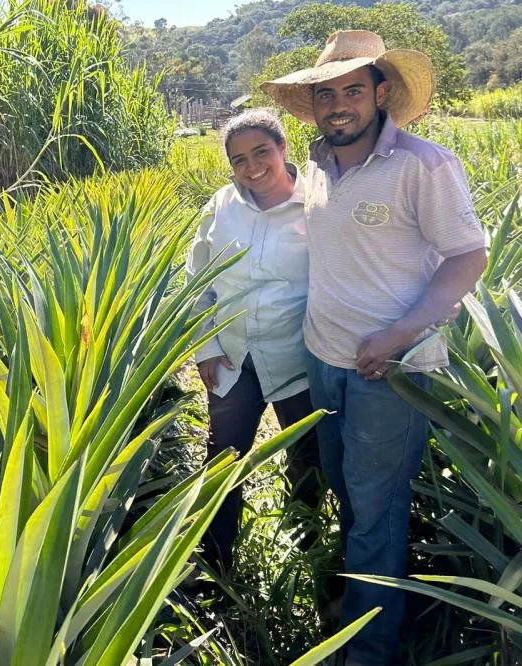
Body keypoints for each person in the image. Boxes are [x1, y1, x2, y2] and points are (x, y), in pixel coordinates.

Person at [262, 31, 488, 665]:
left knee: (375, 508)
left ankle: (367, 652)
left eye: (352, 91)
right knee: (347, 489)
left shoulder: (424, 164)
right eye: (326, 92)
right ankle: (358, 610)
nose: (339, 104)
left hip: (392, 371)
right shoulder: (316, 164)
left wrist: (400, 332)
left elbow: (469, 256)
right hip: (325, 357)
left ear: (381, 93)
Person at [186, 108, 323, 573]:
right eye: (239, 159)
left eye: (262, 151)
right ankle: (217, 565)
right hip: (234, 358)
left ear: (284, 148)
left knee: (308, 459)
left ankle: (311, 554)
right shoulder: (221, 206)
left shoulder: (319, 205)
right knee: (222, 459)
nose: (252, 167)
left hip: (298, 358)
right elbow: (197, 278)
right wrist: (204, 347)